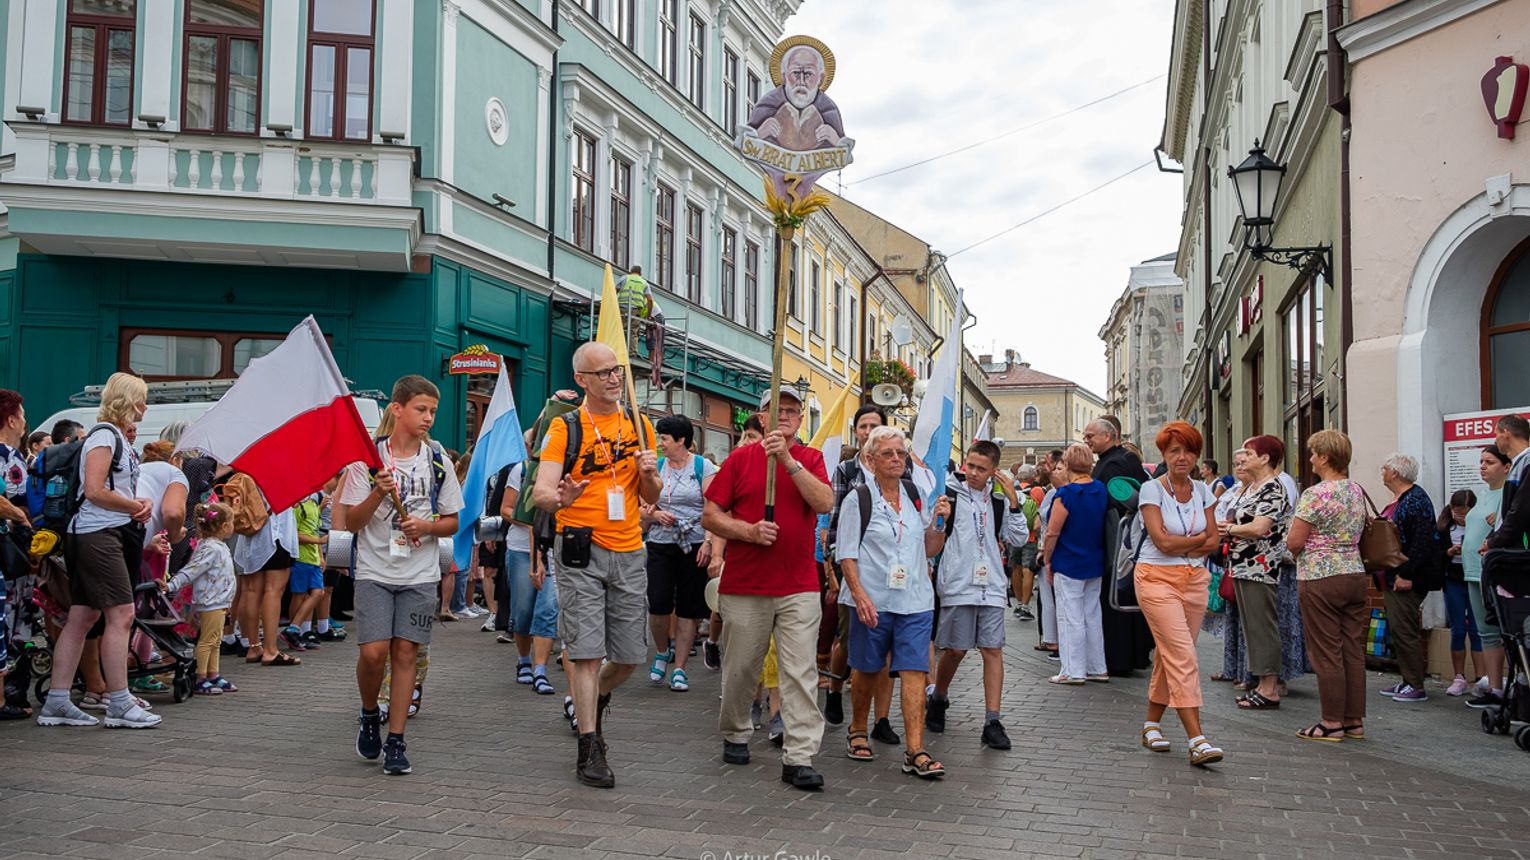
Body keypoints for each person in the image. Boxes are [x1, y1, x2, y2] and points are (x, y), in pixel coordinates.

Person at [532, 342, 660, 789]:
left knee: (628, 658)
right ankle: (589, 744)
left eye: (617, 370)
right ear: (582, 380)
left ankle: (597, 698)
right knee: (585, 653)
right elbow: (542, 492)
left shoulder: (640, 425)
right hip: (579, 551)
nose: (613, 378)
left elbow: (652, 497)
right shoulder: (564, 428)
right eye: (603, 372)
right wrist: (560, 498)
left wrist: (649, 474)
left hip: (629, 550)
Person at [703, 386, 834, 791]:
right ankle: (736, 729)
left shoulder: (810, 459)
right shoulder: (740, 459)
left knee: (799, 671)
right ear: (761, 417)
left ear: (800, 420)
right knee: (742, 665)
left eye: (793, 410)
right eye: (776, 409)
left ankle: (799, 755)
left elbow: (825, 502)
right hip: (747, 583)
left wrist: (788, 461)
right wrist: (747, 530)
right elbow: (711, 514)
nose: (785, 415)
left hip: (798, 584)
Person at [337, 375, 464, 776]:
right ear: (397, 409)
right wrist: (377, 492)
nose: (428, 418)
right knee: (373, 653)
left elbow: (453, 522)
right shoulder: (366, 460)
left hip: (420, 572)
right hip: (374, 570)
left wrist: (426, 528)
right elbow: (351, 523)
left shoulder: (438, 460)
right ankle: (369, 711)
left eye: (432, 412)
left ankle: (396, 740)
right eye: (420, 409)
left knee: (406, 652)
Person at [38, 372, 161, 729]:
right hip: (99, 534)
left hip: (95, 533)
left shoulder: (109, 436)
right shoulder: (106, 436)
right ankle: (119, 702)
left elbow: (97, 490)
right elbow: (93, 490)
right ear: (128, 400)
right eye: (141, 398)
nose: (145, 406)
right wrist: (134, 505)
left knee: (83, 616)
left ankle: (59, 700)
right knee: (120, 614)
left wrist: (129, 504)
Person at [832, 426, 951, 780]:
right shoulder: (859, 499)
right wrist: (859, 595)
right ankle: (857, 728)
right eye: (888, 453)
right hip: (874, 600)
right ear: (870, 459)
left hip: (914, 599)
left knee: (915, 670)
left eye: (900, 452)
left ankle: (915, 749)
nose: (897, 459)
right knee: (868, 669)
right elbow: (846, 553)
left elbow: (928, 549)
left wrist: (938, 524)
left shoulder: (916, 495)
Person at [926, 440, 1028, 748]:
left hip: (992, 587)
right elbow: (933, 538)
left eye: (980, 469)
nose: (972, 472)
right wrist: (939, 516)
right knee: (955, 651)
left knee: (992, 650)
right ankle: (939, 697)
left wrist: (1012, 500)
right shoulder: (950, 496)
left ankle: (992, 720)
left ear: (993, 472)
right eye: (969, 465)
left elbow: (1017, 537)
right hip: (958, 584)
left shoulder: (997, 502)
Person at [1134, 421, 1221, 766]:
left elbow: (1214, 542)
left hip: (1195, 580)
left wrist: (1191, 545)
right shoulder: (1151, 490)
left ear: (1197, 455)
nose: (1181, 457)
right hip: (1155, 577)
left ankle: (1151, 724)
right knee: (1182, 654)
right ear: (1164, 455)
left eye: (1187, 451)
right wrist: (1196, 542)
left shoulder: (1203, 491)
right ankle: (1197, 739)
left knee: (1171, 653)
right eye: (1174, 451)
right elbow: (1162, 542)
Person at [1286, 429, 1369, 741]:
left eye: (1313, 453)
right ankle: (1354, 720)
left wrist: (1289, 549)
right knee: (1351, 648)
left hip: (1320, 576)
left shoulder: (1315, 494)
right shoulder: (1356, 490)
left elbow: (1295, 541)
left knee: (1326, 651)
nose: (1310, 459)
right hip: (1354, 573)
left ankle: (1331, 722)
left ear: (1324, 457)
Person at [822, 404, 899, 739]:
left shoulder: (897, 467)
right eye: (863, 426)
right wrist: (833, 568)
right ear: (856, 432)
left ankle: (881, 720)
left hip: (889, 571)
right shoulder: (847, 469)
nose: (868, 431)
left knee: (886, 649)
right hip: (853, 568)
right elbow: (836, 519)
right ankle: (836, 690)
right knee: (848, 641)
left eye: (875, 425)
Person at [643, 414, 717, 693]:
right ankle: (663, 650)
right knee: (658, 603)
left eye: (664, 438)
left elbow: (712, 508)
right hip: (661, 543)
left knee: (688, 608)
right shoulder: (657, 467)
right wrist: (656, 514)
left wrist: (709, 542)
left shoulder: (702, 467)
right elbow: (641, 509)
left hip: (694, 542)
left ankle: (681, 669)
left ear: (681, 440)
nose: (660, 443)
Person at [1220, 435, 1292, 710]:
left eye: (1250, 453)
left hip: (1259, 566)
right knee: (1252, 627)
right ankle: (1260, 682)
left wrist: (1229, 530)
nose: (1244, 458)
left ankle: (1269, 687)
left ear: (1265, 458)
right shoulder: (1253, 487)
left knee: (1263, 626)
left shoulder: (1273, 488)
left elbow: (1260, 528)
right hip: (1243, 564)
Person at [1084, 419, 1155, 675]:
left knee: (1117, 596)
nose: (1087, 440)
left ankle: (1120, 657)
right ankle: (1123, 655)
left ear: (1108, 435)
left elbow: (1121, 501)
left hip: (1118, 540)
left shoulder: (1117, 462)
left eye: (1091, 436)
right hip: (1117, 538)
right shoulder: (1115, 458)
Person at [703, 412, 766, 671]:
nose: (744, 441)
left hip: (771, 558)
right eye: (744, 436)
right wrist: (716, 554)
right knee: (727, 611)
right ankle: (716, 644)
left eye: (751, 436)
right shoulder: (736, 464)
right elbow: (718, 515)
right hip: (738, 552)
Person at [1042, 443, 1109, 685]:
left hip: (1069, 560)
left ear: (1068, 464)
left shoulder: (1066, 495)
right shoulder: (1100, 489)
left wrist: (1046, 557)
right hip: (1094, 558)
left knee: (1071, 616)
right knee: (1092, 614)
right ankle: (1097, 666)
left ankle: (1073, 669)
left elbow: (1052, 533)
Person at [1377, 453, 1439, 703]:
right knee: (1399, 629)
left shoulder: (1415, 500)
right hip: (1392, 576)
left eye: (1386, 467)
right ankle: (1406, 680)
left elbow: (1422, 542)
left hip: (1405, 577)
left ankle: (1415, 684)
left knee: (1405, 630)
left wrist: (1405, 574)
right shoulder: (1402, 499)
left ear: (1396, 473)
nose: (1382, 471)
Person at [499, 456, 560, 695]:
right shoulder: (521, 469)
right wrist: (528, 523)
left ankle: (540, 669)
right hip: (522, 550)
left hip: (555, 549)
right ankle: (524, 659)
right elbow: (505, 508)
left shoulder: (566, 468)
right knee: (523, 611)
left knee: (547, 609)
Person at [162, 502, 238, 695]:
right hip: (210, 601)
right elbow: (191, 571)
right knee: (207, 640)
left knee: (215, 639)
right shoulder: (211, 549)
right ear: (224, 527)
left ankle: (213, 674)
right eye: (231, 522)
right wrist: (171, 585)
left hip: (219, 601)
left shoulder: (216, 546)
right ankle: (201, 677)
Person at [1464, 445, 1511, 709]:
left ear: (1506, 467)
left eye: (1490, 462)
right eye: (1481, 461)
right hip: (1472, 572)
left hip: (1494, 572)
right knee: (1485, 632)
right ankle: (1495, 687)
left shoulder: (1510, 496)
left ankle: (1506, 685)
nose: (1483, 466)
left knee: (1502, 629)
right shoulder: (1483, 494)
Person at [1436, 490, 1483, 697]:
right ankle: (1459, 677)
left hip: (1474, 579)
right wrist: (1449, 552)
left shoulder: (1482, 525)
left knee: (1477, 629)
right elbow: (1434, 555)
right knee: (1457, 629)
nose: (1460, 517)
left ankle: (1481, 678)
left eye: (1465, 514)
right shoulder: (1445, 527)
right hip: (1453, 579)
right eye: (1457, 513)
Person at [283, 491, 328, 651]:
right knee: (300, 595)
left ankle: (294, 629)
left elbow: (315, 530)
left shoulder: (314, 504)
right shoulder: (297, 505)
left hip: (314, 558)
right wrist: (318, 541)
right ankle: (297, 630)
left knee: (318, 593)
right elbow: (293, 534)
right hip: (301, 558)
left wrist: (321, 556)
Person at [1486, 414, 1530, 551]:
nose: (1495, 439)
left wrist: (1494, 542)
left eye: (1496, 434)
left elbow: (1519, 511)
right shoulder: (1517, 464)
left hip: (1521, 553)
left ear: (1506, 433)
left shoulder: (1527, 462)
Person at [1009, 463, 1041, 621]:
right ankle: (1025, 606)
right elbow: (1039, 517)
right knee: (1028, 570)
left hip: (1014, 537)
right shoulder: (1037, 491)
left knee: (1015, 568)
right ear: (1032, 476)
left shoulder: (1012, 490)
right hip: (1031, 537)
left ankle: (1019, 602)